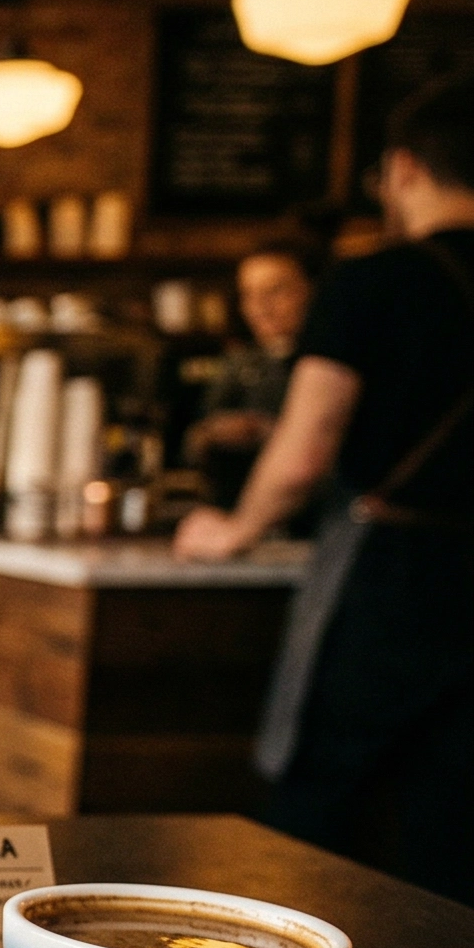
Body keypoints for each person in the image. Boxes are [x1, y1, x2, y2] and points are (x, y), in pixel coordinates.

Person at [176, 69, 474, 903]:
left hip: (394, 576)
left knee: (316, 814)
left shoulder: (373, 283)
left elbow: (305, 450)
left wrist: (232, 531)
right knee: (452, 837)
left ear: (406, 170)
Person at [185, 241, 320, 506]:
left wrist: (269, 432)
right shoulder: (239, 362)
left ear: (313, 290)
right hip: (240, 510)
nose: (261, 306)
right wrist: (210, 433)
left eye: (276, 291)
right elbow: (191, 444)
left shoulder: (332, 364)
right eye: (249, 294)